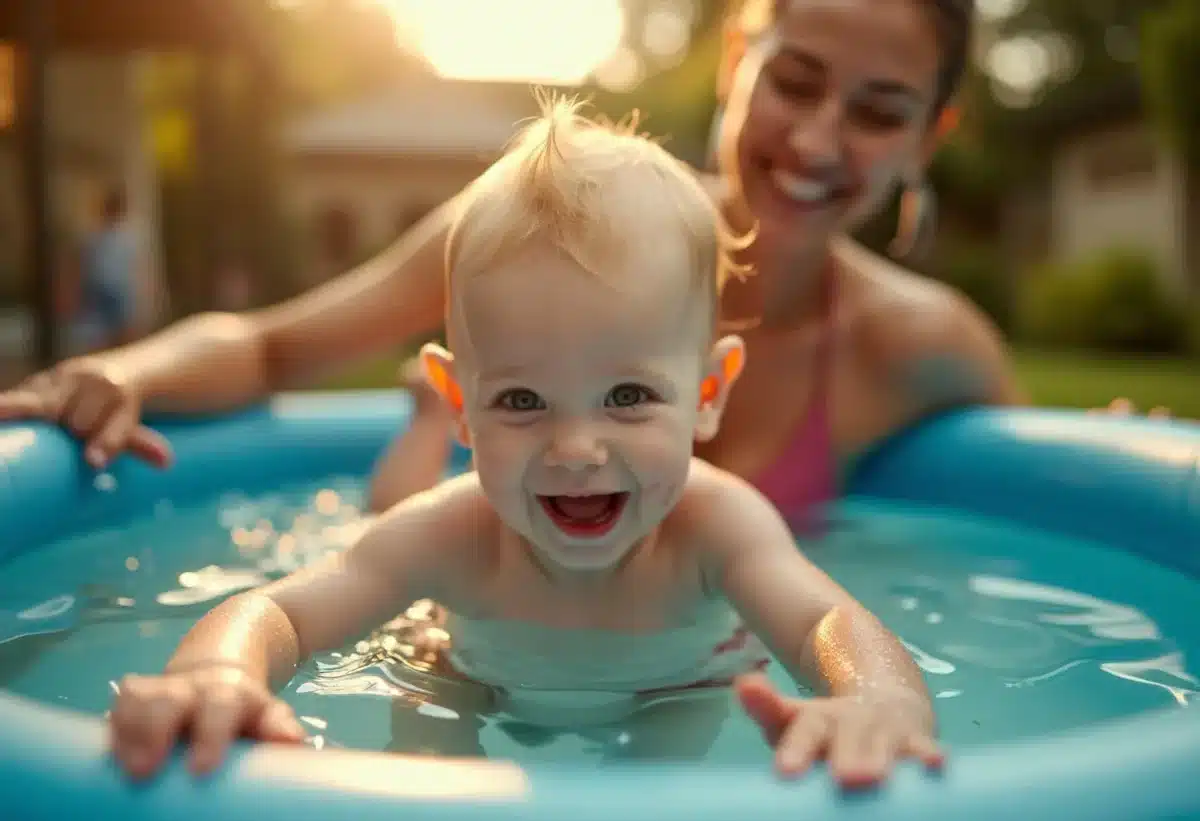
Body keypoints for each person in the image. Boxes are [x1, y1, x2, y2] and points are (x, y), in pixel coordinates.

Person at [107, 99, 942, 786]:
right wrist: (217, 674)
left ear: (708, 394)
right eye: (521, 400)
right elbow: (279, 609)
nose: (576, 447)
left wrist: (873, 694)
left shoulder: (717, 527)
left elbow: (829, 617)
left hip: (679, 688)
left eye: (627, 395)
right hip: (464, 679)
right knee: (423, 733)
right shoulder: (450, 532)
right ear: (463, 407)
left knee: (671, 782)